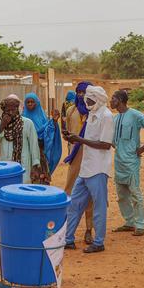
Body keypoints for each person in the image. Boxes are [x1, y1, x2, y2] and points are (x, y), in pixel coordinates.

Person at [63, 86, 114, 253]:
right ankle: (68, 239)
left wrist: (80, 140)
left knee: (98, 207)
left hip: (98, 169)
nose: (86, 101)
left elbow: (106, 144)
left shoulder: (106, 116)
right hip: (86, 168)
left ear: (98, 99)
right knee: (74, 205)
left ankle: (99, 242)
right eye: (86, 99)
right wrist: (74, 138)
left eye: (90, 99)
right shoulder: (92, 113)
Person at [110, 90, 144, 236]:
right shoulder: (115, 118)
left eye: (113, 99)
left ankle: (140, 225)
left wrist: (143, 148)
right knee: (122, 195)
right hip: (119, 162)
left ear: (119, 100)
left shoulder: (135, 115)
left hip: (131, 162)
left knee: (135, 193)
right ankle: (130, 222)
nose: (111, 102)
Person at [63, 81, 95, 244]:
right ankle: (67, 231)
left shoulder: (94, 111)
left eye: (84, 92)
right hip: (75, 158)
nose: (81, 95)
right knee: (70, 191)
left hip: (91, 158)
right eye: (79, 92)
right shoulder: (71, 110)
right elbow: (68, 133)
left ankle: (89, 230)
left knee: (90, 195)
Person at [0, 95, 41, 183]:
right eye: (8, 110)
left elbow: (34, 146)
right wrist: (2, 126)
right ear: (4, 111)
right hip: (5, 169)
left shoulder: (27, 123)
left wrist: (35, 165)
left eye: (13, 110)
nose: (11, 113)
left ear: (18, 110)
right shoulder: (0, 124)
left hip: (23, 168)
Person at [22, 93, 62, 184]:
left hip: (40, 156)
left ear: (37, 103)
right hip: (26, 155)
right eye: (28, 102)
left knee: (41, 181)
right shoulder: (22, 119)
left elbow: (47, 132)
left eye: (32, 102)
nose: (30, 104)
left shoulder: (43, 118)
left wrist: (54, 122)